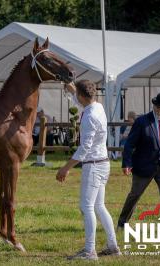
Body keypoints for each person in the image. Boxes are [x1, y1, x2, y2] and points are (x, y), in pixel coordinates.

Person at [56, 80, 120, 261]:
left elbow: (84, 149)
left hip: (93, 164)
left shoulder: (90, 116)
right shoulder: (97, 106)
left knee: (87, 206)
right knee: (99, 206)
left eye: (77, 95)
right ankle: (112, 245)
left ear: (82, 96)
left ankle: (90, 251)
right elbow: (80, 100)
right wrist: (70, 86)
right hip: (103, 163)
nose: (76, 98)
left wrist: (65, 168)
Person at [117, 91, 160, 229]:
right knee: (135, 195)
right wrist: (127, 163)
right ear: (154, 106)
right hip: (143, 166)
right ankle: (122, 223)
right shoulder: (142, 121)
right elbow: (130, 144)